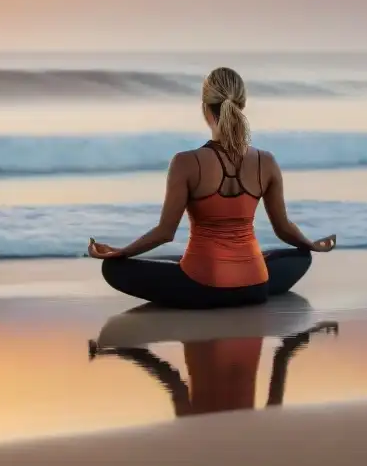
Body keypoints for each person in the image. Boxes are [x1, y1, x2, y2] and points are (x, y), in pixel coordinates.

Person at [87, 66, 336, 309]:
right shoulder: (266, 161)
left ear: (205, 108)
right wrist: (311, 244)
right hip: (255, 288)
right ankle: (251, 276)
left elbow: (165, 233)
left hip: (202, 287)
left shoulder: (186, 162)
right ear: (242, 106)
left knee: (114, 268)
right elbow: (283, 229)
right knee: (299, 255)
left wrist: (121, 252)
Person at [88, 321, 339, 416]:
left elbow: (171, 379)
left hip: (220, 347)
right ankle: (117, 351)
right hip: (232, 346)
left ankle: (118, 350)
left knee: (171, 379)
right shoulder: (259, 427)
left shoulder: (194, 424)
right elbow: (282, 358)